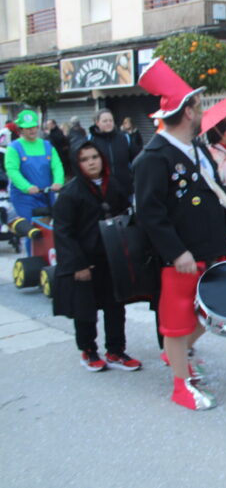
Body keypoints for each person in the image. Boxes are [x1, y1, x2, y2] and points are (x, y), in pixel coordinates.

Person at [133, 58, 226, 411]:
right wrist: (176, 252)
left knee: (209, 314)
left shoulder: (197, 147)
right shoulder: (153, 157)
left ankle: (179, 357)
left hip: (212, 246)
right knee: (177, 322)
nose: (202, 112)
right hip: (181, 256)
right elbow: (150, 213)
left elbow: (217, 192)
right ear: (187, 112)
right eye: (198, 106)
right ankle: (180, 385)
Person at [52, 142, 142, 372]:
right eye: (84, 159)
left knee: (116, 306)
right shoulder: (70, 193)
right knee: (85, 310)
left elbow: (127, 216)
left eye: (94, 157)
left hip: (112, 257)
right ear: (77, 164)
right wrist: (77, 264)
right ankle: (88, 350)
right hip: (85, 260)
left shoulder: (115, 185)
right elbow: (63, 232)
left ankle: (116, 350)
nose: (91, 162)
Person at [4, 110, 64, 225]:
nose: (32, 130)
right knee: (30, 228)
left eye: (34, 127)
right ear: (20, 129)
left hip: (46, 194)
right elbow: (12, 171)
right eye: (28, 128)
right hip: (24, 197)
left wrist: (58, 181)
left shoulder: (47, 145)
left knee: (48, 228)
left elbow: (57, 166)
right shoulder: (14, 147)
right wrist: (27, 187)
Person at [89, 109, 138, 195]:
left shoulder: (124, 138)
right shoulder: (91, 140)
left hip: (125, 189)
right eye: (105, 121)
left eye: (110, 120)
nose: (108, 123)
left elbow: (135, 160)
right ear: (97, 123)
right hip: (102, 190)